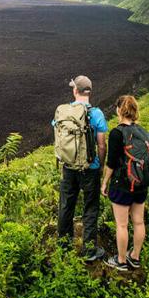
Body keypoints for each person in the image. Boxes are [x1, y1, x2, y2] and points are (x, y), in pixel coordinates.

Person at [55, 75, 108, 262]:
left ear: (75, 90)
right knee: (90, 207)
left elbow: (58, 133)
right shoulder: (97, 114)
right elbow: (102, 145)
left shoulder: (63, 111)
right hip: (90, 168)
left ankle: (63, 247)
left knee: (66, 205)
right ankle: (89, 250)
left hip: (68, 166)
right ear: (89, 92)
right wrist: (100, 166)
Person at [102, 95, 148, 271]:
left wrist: (104, 183)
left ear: (119, 110)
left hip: (122, 185)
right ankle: (135, 257)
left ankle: (121, 261)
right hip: (140, 184)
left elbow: (111, 163)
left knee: (122, 225)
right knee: (138, 222)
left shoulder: (117, 133)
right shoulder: (141, 131)